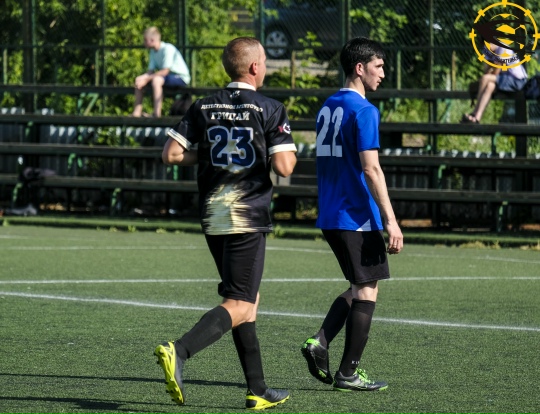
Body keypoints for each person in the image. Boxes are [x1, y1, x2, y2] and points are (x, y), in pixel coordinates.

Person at [155, 37, 297, 410]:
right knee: (240, 302)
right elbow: (284, 166)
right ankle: (180, 350)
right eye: (264, 62)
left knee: (245, 301)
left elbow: (172, 154)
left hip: (212, 213)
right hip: (247, 214)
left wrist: (209, 155)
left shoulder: (203, 105)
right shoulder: (270, 108)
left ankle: (257, 388)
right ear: (254, 67)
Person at [301, 37, 403, 392]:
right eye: (378, 66)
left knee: (361, 285)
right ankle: (347, 373)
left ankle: (320, 342)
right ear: (359, 68)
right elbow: (371, 169)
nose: (383, 74)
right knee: (368, 290)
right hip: (356, 215)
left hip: (331, 213)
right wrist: (390, 220)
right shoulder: (364, 110)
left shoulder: (328, 106)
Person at [132, 27, 191, 118]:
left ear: (152, 40)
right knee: (139, 80)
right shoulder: (153, 51)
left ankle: (157, 114)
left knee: (156, 80)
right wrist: (142, 79)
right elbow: (150, 71)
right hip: (166, 78)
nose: (144, 43)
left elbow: (165, 71)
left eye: (145, 40)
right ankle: (136, 112)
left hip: (180, 77)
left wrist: (146, 79)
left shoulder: (167, 49)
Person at [461, 43, 528, 123]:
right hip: (504, 80)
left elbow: (495, 73)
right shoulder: (488, 50)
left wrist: (490, 69)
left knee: (485, 79)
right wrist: (487, 62)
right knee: (490, 86)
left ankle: (474, 112)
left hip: (517, 81)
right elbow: (486, 71)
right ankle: (477, 118)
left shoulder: (503, 49)